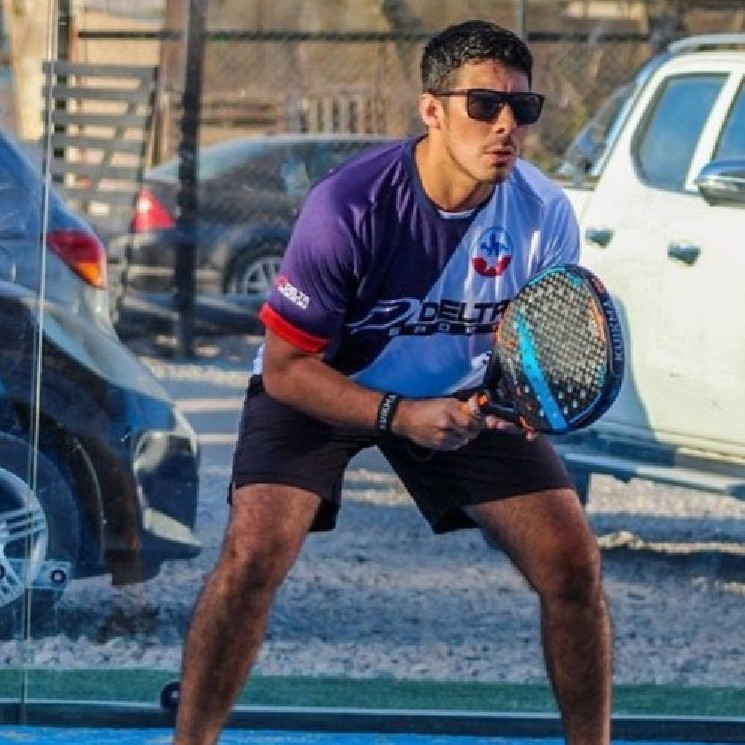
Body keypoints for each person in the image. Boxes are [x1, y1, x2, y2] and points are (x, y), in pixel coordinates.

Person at [173, 19, 612, 745]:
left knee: (572, 565)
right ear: (431, 110)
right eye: (483, 105)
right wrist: (399, 414)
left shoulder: (543, 212)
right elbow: (284, 369)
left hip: (459, 396)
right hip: (322, 385)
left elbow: (533, 338)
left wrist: (517, 400)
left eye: (522, 107)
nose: (505, 125)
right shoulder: (349, 206)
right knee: (253, 555)